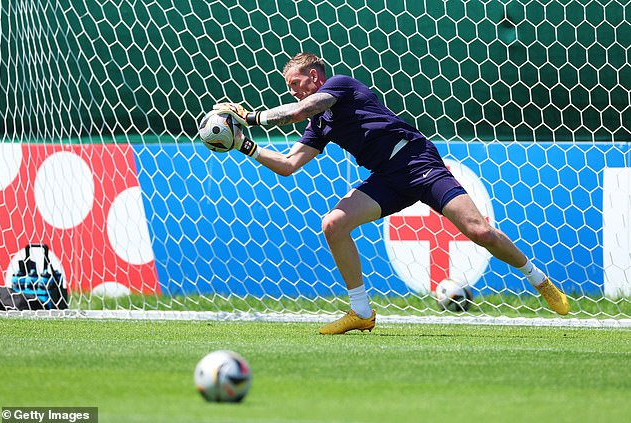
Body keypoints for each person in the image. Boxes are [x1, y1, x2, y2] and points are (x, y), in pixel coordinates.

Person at [210, 52, 570, 334]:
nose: (292, 91)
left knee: (479, 231)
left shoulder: (339, 85)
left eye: (295, 83)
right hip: (387, 178)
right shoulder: (319, 123)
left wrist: (250, 115)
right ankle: (361, 312)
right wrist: (245, 145)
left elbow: (300, 109)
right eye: (289, 87)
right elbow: (289, 164)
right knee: (333, 224)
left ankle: (538, 279)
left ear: (314, 77)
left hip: (417, 162)